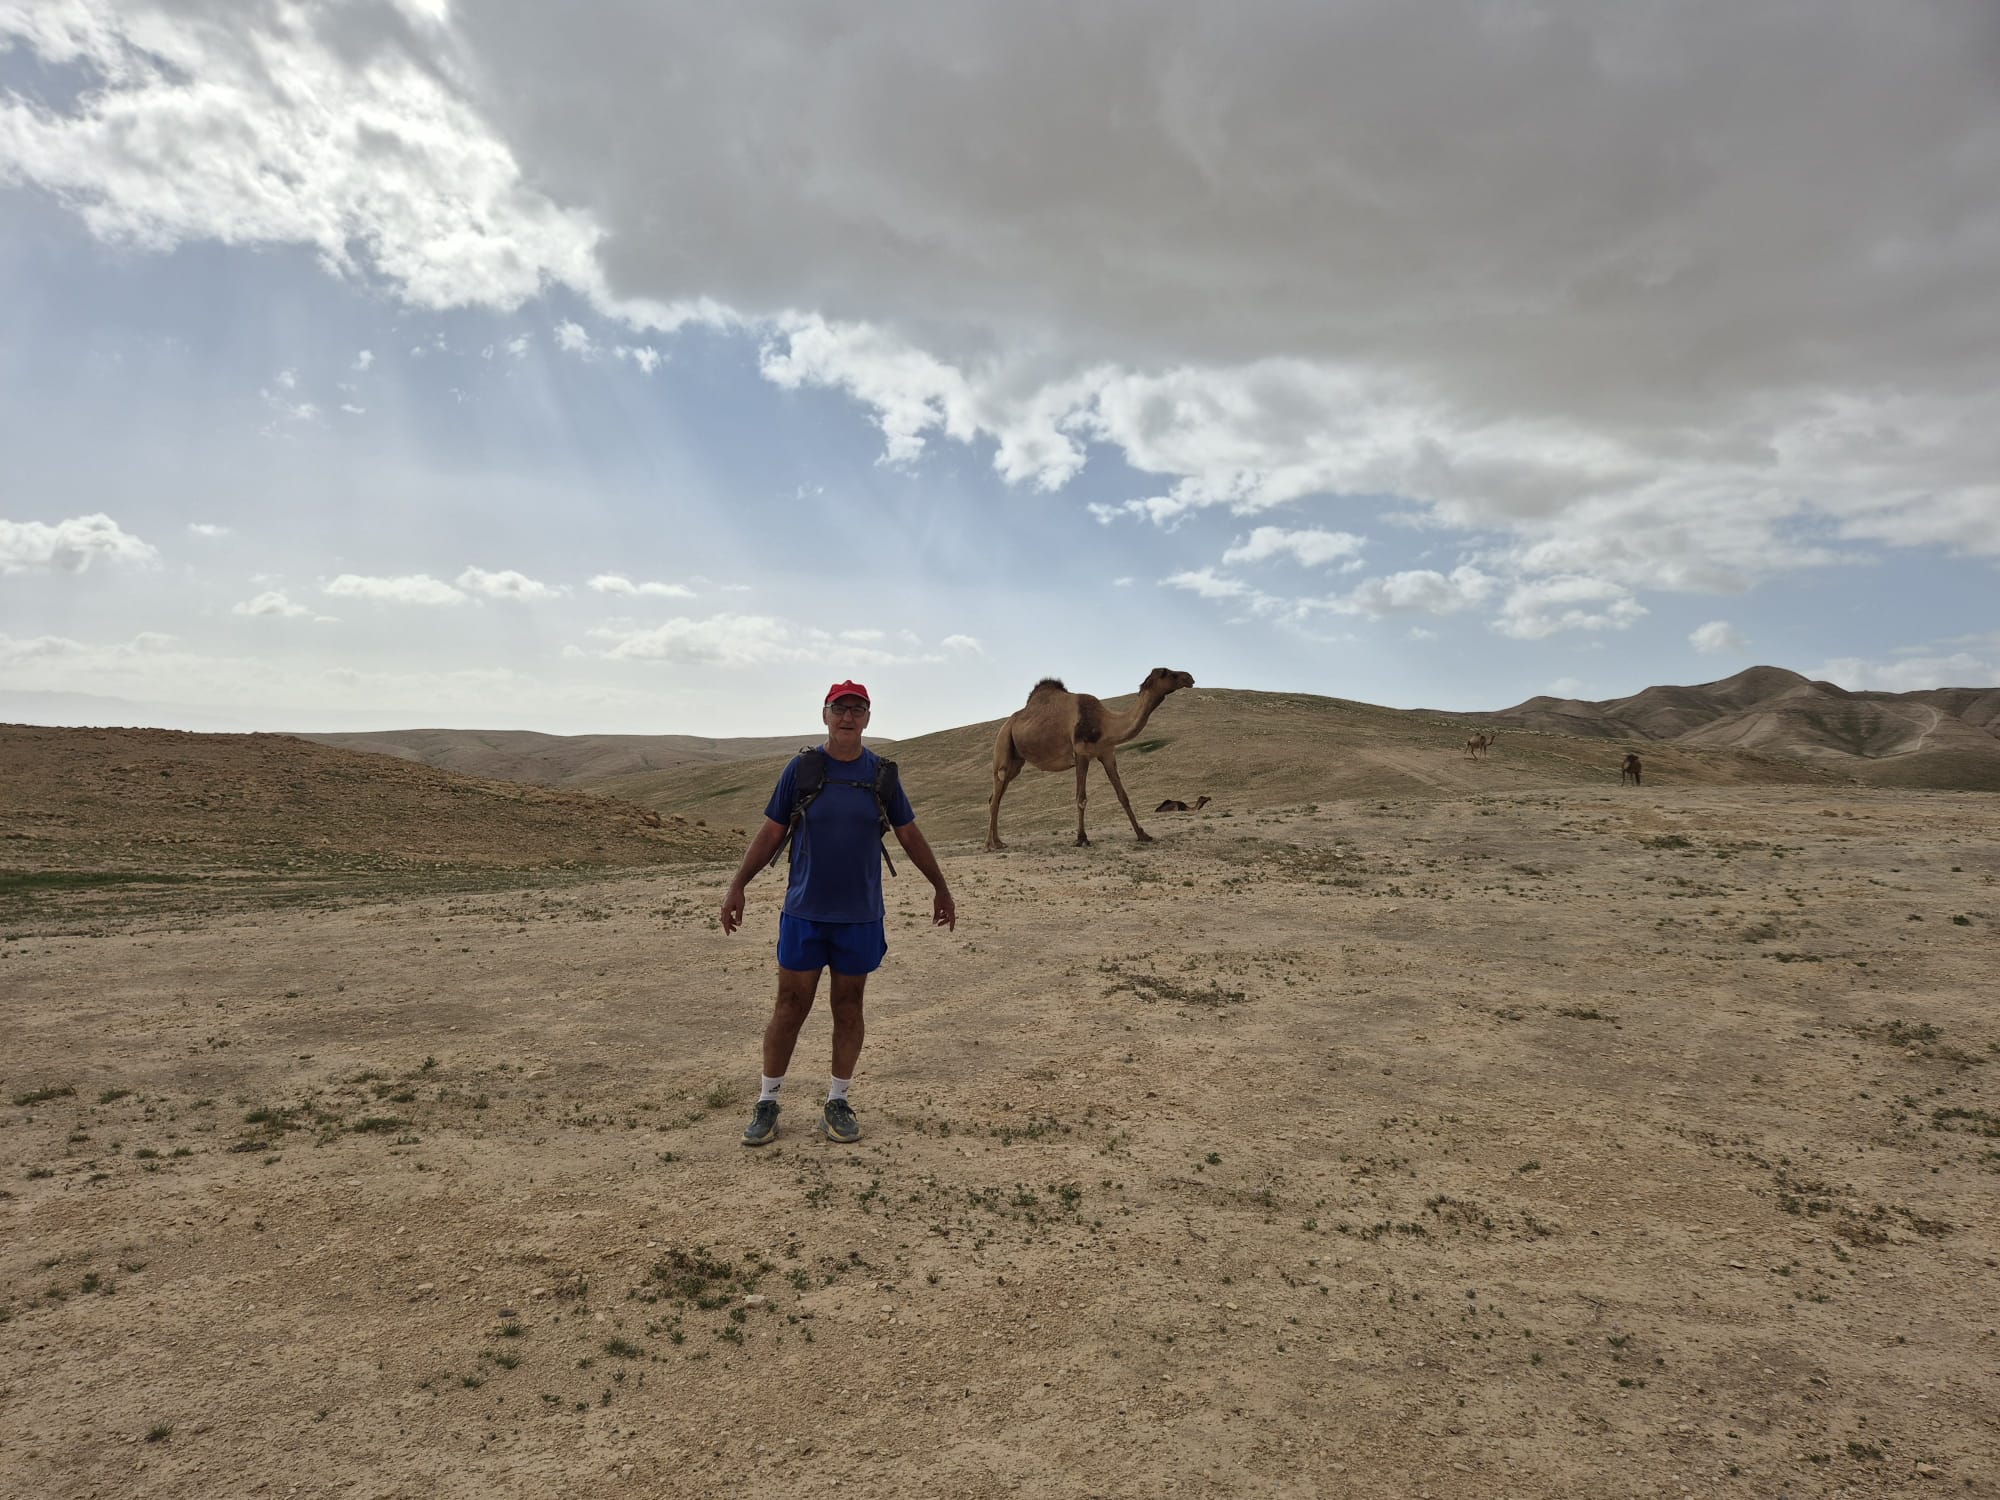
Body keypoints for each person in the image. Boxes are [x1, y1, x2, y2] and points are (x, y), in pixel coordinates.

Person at [719, 680, 955, 1146]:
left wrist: (940, 886)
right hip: (805, 912)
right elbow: (772, 831)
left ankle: (838, 1101)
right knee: (790, 1006)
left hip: (860, 916)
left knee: (848, 1008)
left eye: (857, 709)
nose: (848, 717)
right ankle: (768, 1102)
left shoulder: (882, 775)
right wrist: (738, 885)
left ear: (868, 718)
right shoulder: (802, 769)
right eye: (839, 708)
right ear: (825, 715)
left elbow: (909, 834)